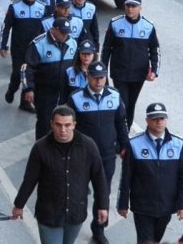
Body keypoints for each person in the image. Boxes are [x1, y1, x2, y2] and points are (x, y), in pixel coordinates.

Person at [12, 105, 109, 244]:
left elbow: (99, 178)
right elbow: (29, 179)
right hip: (49, 215)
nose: (63, 130)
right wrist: (19, 205)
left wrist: (103, 205)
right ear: (52, 124)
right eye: (58, 125)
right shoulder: (40, 148)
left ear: (74, 125)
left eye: (67, 125)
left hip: (76, 213)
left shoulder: (88, 146)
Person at [66, 62, 128, 243]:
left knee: (104, 192)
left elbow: (121, 123)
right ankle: (73, 223)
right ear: (88, 77)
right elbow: (67, 125)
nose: (99, 81)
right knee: (78, 192)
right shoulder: (76, 98)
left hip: (107, 156)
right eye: (95, 77)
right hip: (83, 156)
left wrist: (125, 147)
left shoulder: (115, 96)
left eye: (102, 77)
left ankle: (99, 228)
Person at [118, 102, 183, 244]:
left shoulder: (177, 144)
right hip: (142, 206)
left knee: (155, 239)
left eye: (162, 118)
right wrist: (123, 203)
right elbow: (126, 177)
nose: (159, 122)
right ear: (147, 120)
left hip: (166, 206)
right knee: (146, 241)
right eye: (155, 118)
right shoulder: (134, 144)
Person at [101, 0, 159, 128]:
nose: (130, 9)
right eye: (128, 5)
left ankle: (126, 133)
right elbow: (106, 48)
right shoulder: (115, 23)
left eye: (133, 6)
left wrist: (154, 70)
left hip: (138, 74)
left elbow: (155, 50)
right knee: (122, 103)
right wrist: (103, 69)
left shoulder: (148, 26)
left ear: (140, 8)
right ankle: (118, 130)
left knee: (131, 103)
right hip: (119, 72)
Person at [23, 18, 77, 139]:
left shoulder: (72, 43)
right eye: (62, 33)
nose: (65, 36)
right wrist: (28, 89)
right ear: (53, 30)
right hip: (44, 92)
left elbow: (75, 67)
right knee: (45, 123)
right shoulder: (38, 44)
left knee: (64, 124)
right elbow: (27, 68)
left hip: (65, 92)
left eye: (67, 33)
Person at [0, 0, 47, 110]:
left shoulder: (42, 7)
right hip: (18, 48)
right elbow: (6, 27)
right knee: (17, 74)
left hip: (35, 49)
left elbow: (47, 28)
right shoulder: (15, 7)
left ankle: (24, 102)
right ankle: (11, 89)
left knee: (31, 75)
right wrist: (2, 45)